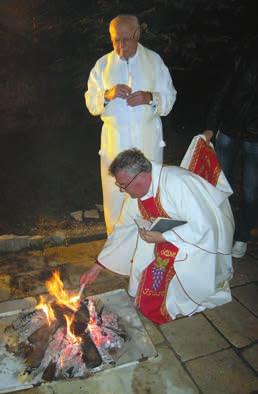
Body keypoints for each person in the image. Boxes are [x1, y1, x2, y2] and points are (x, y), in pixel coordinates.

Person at [80, 146, 234, 324]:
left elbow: (205, 224)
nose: (122, 190)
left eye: (123, 185)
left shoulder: (178, 182)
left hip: (201, 240)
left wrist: (165, 237)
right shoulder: (138, 193)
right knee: (143, 255)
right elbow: (123, 228)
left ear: (142, 176)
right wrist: (98, 265)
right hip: (171, 236)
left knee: (155, 299)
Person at [85, 14, 177, 234]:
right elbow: (91, 103)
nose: (120, 46)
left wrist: (150, 97)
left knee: (148, 194)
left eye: (125, 39)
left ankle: (148, 247)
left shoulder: (154, 62)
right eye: (115, 39)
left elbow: (170, 98)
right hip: (114, 145)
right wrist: (107, 95)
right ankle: (116, 250)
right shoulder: (103, 65)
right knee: (115, 199)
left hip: (147, 143)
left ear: (137, 34)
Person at [204, 39, 258, 258]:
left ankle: (242, 236)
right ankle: (220, 231)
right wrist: (211, 126)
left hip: (255, 139)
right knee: (219, 185)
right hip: (229, 130)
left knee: (251, 190)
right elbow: (223, 91)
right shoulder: (244, 55)